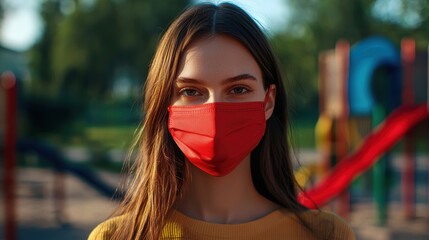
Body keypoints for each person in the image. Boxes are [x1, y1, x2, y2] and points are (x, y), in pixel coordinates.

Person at [89, 2, 355, 240]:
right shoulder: (117, 236)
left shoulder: (327, 235)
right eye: (191, 91)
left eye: (238, 89)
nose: (214, 111)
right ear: (165, 104)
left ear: (268, 102)